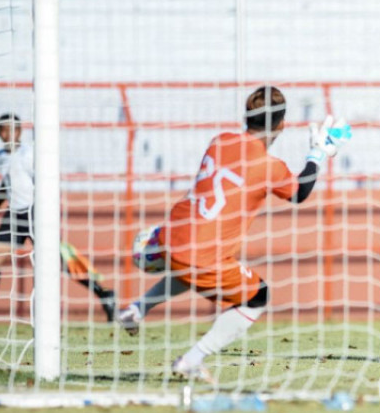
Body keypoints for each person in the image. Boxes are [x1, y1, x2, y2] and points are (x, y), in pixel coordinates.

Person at [117, 86, 343, 383]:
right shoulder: (268, 167)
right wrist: (317, 154)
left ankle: (136, 309)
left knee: (190, 270)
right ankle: (192, 360)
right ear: (281, 126)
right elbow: (299, 193)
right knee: (258, 296)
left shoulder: (219, 142)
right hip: (203, 250)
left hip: (173, 233)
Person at [0, 113, 117, 328]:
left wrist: (48, 212)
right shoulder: (1, 156)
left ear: (20, 132)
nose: (9, 134)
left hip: (36, 212)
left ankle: (105, 294)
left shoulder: (29, 154)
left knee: (58, 263)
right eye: (5, 129)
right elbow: (6, 185)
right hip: (14, 214)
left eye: (14, 129)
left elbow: (46, 180)